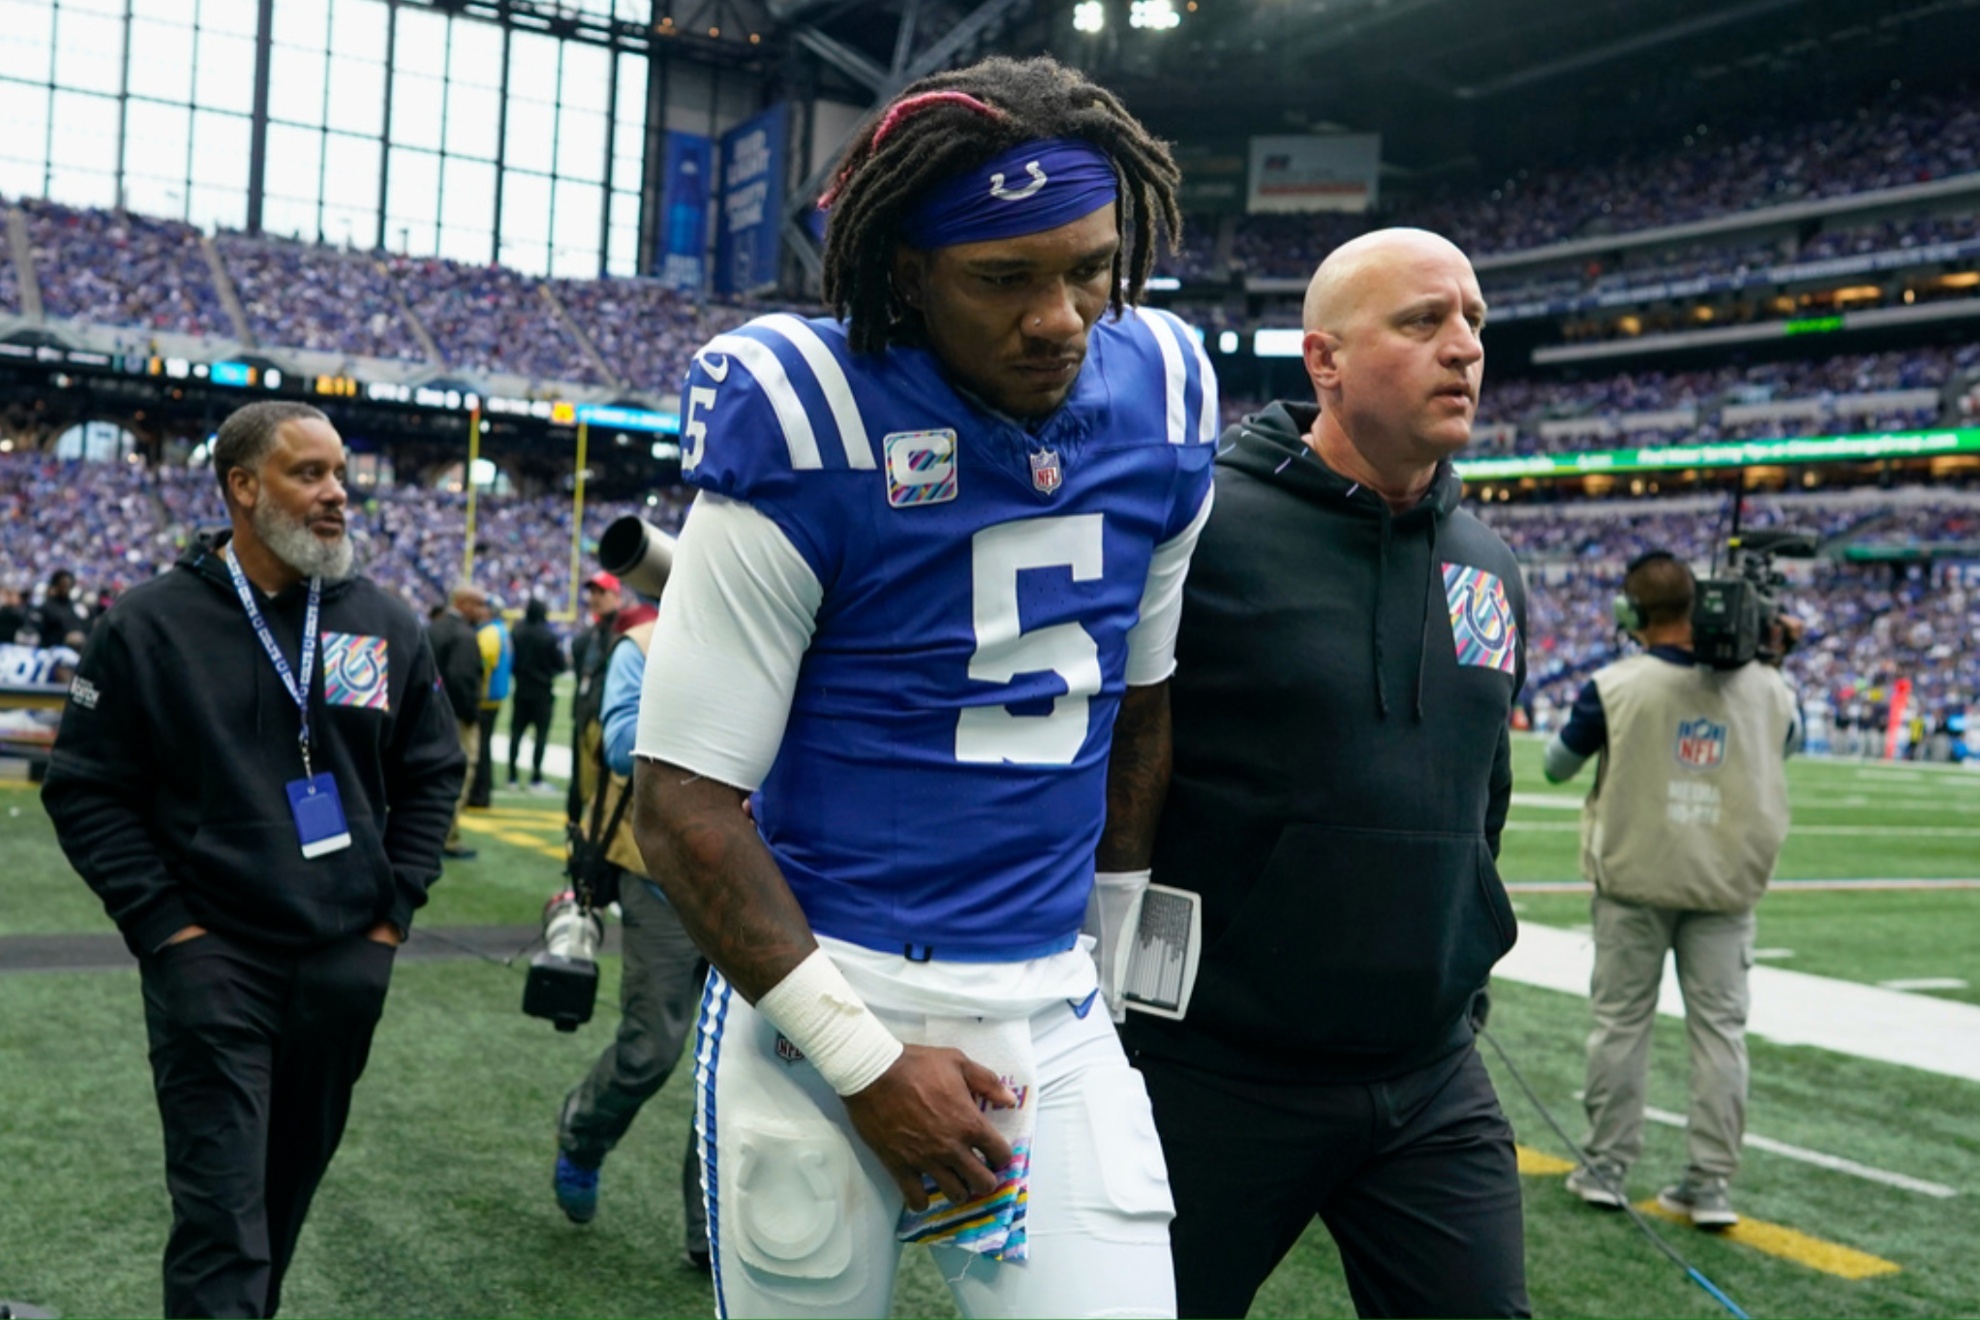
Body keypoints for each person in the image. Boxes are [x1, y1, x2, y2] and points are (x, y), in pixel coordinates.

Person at [631, 55, 1216, 1319]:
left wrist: (1111, 967)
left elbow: (1140, 708)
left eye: (1091, 268)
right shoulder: (810, 413)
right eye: (1004, 278)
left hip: (1048, 1003)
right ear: (907, 271)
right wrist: (865, 1062)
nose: (1061, 317)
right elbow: (679, 805)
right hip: (827, 1001)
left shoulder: (1162, 393)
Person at [1122, 227, 1531, 1319]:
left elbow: (1483, 795)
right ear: (1324, 361)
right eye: (1423, 321)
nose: (1464, 347)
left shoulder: (1488, 563)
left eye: (1474, 321)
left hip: (1429, 1074)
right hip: (1215, 1070)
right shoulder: (1202, 530)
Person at [41, 400, 464, 1318]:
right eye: (309, 473)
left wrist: (390, 919)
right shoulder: (149, 624)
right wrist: (170, 932)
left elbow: (433, 773)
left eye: (340, 473)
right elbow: (84, 789)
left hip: (343, 963)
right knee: (222, 1225)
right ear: (242, 486)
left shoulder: (383, 621)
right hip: (214, 959)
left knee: (278, 1207)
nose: (337, 493)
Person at [1546, 550, 1800, 1229]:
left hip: (1634, 881)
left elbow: (1556, 765)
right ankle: (1710, 1183)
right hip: (1726, 887)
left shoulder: (1614, 685)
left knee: (1620, 1026)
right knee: (1720, 1035)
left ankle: (1606, 1168)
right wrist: (1769, 662)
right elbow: (1787, 743)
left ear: (1630, 612)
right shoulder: (1770, 688)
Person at [552, 598, 709, 1273]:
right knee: (652, 1048)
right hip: (661, 874)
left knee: (740, 1068)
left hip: (767, 881)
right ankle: (583, 1134)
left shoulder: (789, 632)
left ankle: (711, 1229)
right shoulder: (642, 644)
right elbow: (621, 746)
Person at [429, 583, 488, 860]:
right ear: (463, 603)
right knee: (459, 775)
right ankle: (448, 837)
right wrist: (472, 715)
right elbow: (462, 679)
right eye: (478, 605)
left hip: (431, 715)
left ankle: (430, 834)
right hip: (455, 718)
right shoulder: (464, 635)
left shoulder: (434, 628)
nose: (483, 611)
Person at [567, 571, 623, 821]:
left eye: (602, 592)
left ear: (616, 596)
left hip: (605, 720)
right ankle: (575, 830)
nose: (595, 597)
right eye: (592, 592)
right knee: (579, 782)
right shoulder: (589, 636)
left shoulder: (620, 633)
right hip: (584, 716)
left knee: (604, 786)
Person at [508, 596, 565, 791]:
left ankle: (512, 777)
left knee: (516, 734)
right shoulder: (549, 636)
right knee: (540, 736)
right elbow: (560, 665)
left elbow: (511, 662)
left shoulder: (517, 632)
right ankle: (536, 777)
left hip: (521, 690)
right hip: (542, 692)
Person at [470, 598, 513, 805]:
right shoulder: (501, 630)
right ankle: (483, 789)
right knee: (484, 744)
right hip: (496, 694)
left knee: (480, 746)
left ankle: (480, 791)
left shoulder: (489, 633)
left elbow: (484, 664)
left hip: (486, 697)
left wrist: (476, 690)